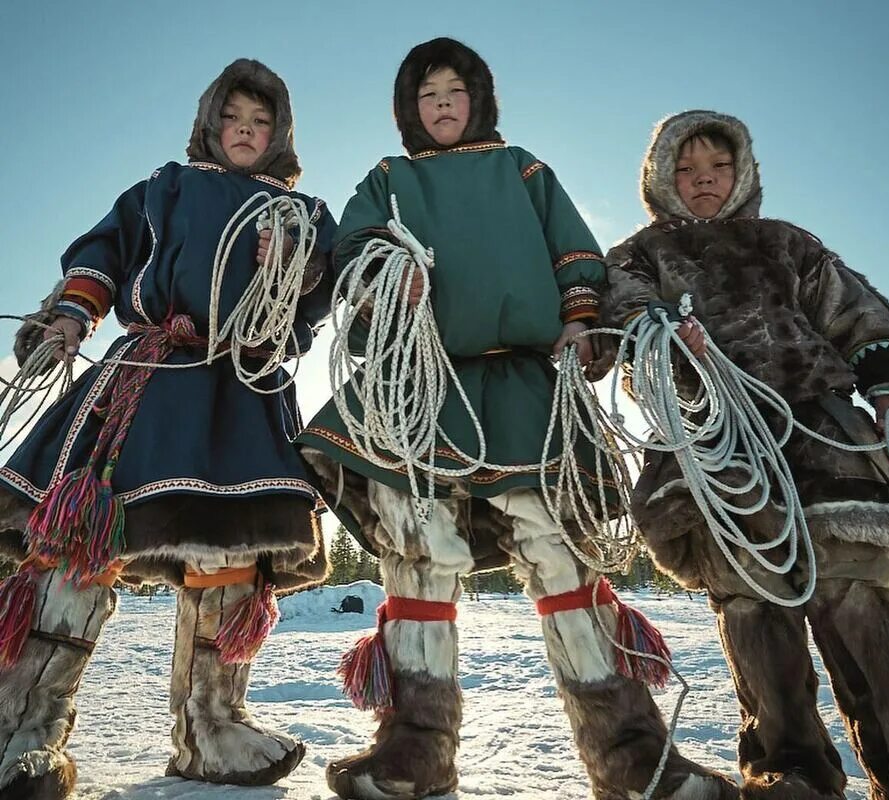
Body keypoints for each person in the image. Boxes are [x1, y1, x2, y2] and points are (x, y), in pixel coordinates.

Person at [297, 38, 738, 800]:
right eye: (427, 93)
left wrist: (581, 319)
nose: (441, 103)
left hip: (524, 383)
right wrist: (383, 272)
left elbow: (574, 253)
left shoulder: (523, 169)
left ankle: (631, 753)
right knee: (417, 551)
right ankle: (415, 747)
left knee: (562, 552)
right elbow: (355, 249)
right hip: (418, 384)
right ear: (409, 109)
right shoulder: (388, 178)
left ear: (479, 101)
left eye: (454, 91)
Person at [598, 109, 889, 800]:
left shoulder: (787, 244)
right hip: (715, 448)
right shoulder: (637, 256)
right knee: (753, 603)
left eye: (716, 170)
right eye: (686, 172)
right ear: (660, 180)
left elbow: (855, 312)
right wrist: (662, 342)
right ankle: (789, 769)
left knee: (864, 589)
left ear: (741, 173)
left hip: (823, 438)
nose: (702, 183)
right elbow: (626, 322)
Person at [0, 58, 336, 797]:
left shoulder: (304, 213)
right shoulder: (164, 189)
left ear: (279, 133)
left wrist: (299, 274)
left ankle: (212, 729)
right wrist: (68, 314)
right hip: (149, 374)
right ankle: (22, 730)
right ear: (210, 125)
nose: (246, 133)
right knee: (77, 545)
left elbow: (314, 303)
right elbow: (104, 257)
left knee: (236, 559)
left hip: (243, 387)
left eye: (260, 123)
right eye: (233, 120)